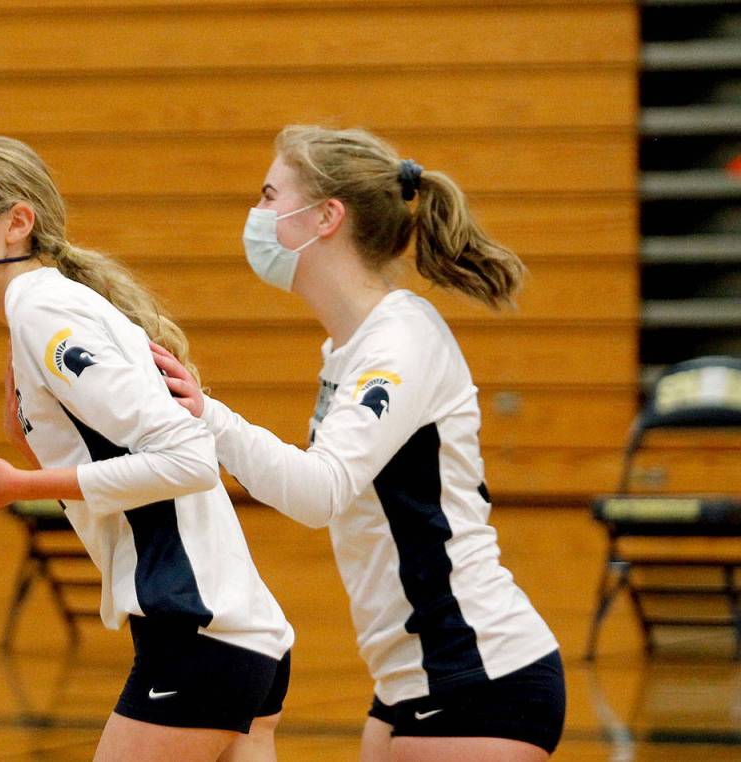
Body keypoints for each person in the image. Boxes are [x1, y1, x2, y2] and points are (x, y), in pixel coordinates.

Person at [151, 125, 565, 762]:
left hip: (479, 675)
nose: (256, 215)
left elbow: (319, 492)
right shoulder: (350, 346)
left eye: (269, 195)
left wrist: (206, 415)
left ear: (325, 217)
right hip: (409, 680)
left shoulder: (399, 342)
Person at [0, 135, 293, 762]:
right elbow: (115, 451)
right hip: (238, 634)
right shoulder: (43, 309)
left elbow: (186, 459)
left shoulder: (44, 310)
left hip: (196, 631)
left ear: (16, 223)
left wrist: (16, 484)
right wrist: (31, 436)